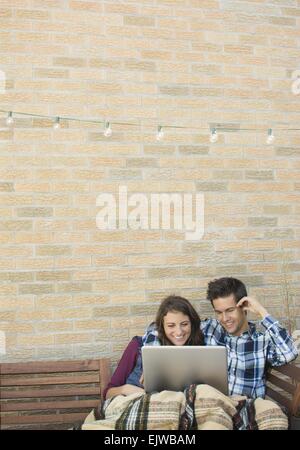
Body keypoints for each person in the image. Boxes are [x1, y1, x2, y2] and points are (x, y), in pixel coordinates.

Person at [143, 277, 299, 399]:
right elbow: (159, 330)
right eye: (219, 312)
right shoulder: (211, 328)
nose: (224, 318)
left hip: (241, 408)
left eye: (230, 310)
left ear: (244, 307)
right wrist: (152, 366)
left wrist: (261, 311)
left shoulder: (260, 341)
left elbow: (289, 353)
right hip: (209, 404)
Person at [104, 295, 204, 400]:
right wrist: (125, 389)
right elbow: (108, 393)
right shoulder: (137, 345)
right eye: (171, 326)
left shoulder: (202, 350)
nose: (179, 331)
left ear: (192, 324)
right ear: (162, 326)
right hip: (140, 404)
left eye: (184, 324)